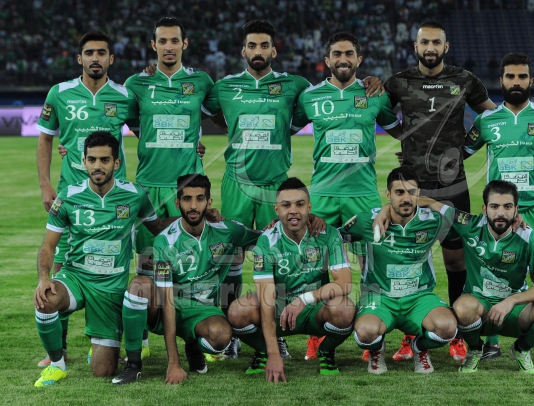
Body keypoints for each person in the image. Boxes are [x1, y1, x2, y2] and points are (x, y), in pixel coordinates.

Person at [202, 20, 382, 360]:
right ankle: (231, 331)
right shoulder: (225, 87)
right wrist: (233, 130)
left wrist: (371, 80)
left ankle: (294, 327)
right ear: (243, 50)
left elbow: (312, 109)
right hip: (236, 181)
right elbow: (209, 111)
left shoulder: (296, 86)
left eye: (264, 45)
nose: (258, 51)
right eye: (252, 46)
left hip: (275, 183)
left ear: (274, 50)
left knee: (284, 255)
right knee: (230, 256)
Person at [383, 20, 496, 362]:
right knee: (409, 258)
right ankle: (410, 334)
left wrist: (467, 148)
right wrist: (403, 137)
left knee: (455, 259)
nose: (430, 48)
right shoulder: (399, 81)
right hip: (411, 187)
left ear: (445, 47)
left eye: (436, 43)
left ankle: (457, 333)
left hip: (452, 184)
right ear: (415, 47)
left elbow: (491, 116)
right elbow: (378, 111)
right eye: (424, 42)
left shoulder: (464, 79)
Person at [291, 31, 401, 361]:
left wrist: (412, 157)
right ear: (327, 60)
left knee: (371, 266)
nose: (343, 59)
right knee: (315, 265)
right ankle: (317, 334)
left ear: (359, 59)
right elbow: (285, 129)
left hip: (363, 193)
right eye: (337, 54)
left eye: (349, 53)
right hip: (322, 193)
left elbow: (400, 130)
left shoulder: (374, 94)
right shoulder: (311, 97)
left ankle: (373, 336)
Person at [33, 132, 174, 387]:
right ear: (84, 162)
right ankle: (56, 365)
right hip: (75, 277)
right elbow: (48, 246)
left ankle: (101, 343)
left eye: (105, 160)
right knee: (46, 299)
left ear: (116, 163)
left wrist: (198, 217)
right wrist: (44, 277)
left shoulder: (135, 195)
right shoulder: (68, 196)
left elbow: (158, 227)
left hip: (110, 288)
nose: (98, 166)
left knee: (103, 370)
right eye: (92, 160)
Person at [464, 52, 534, 362]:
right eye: (511, 77)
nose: (516, 82)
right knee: (494, 271)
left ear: (531, 80)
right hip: (499, 212)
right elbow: (460, 153)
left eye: (522, 76)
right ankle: (491, 341)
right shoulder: (486, 120)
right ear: (501, 81)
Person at [35, 31, 138, 367]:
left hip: (112, 201)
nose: (96, 58)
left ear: (111, 59)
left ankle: (111, 338)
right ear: (79, 58)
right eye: (89, 53)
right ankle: (58, 349)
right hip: (71, 198)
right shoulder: (60, 93)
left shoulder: (124, 96)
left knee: (113, 267)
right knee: (61, 268)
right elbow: (46, 139)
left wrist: (192, 145)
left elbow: (146, 133)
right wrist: (45, 184)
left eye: (101, 53)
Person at [112, 174, 262, 384]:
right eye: (187, 199)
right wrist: (173, 363)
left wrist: (290, 224)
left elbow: (266, 237)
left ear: (209, 202)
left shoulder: (227, 230)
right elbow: (167, 301)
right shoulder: (165, 241)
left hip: (202, 310)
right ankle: (133, 365)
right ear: (177, 203)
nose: (193, 206)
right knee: (139, 285)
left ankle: (193, 345)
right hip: (167, 307)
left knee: (221, 335)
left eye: (200, 199)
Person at [417, 180, 534, 374]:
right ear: (485, 209)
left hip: (516, 312)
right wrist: (388, 210)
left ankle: (521, 349)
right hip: (480, 310)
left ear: (516, 210)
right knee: (462, 307)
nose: (501, 213)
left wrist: (511, 301)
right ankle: (475, 349)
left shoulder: (528, 237)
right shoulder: (470, 224)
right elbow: (433, 204)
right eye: (494, 206)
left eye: (507, 207)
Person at [227, 177, 355, 382]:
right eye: (286, 205)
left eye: (300, 204)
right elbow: (267, 299)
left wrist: (304, 299)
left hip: (315, 309)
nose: (293, 210)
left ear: (309, 208)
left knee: (344, 308)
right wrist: (273, 354)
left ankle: (325, 350)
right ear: (277, 210)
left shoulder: (329, 234)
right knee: (237, 311)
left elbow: (344, 283)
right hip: (280, 309)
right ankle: (264, 351)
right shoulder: (266, 241)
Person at [341, 166, 458, 374]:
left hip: (419, 297)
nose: (406, 198)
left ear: (418, 194)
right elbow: (334, 237)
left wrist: (431, 202)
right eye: (399, 192)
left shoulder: (433, 220)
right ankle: (377, 349)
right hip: (379, 296)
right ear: (388, 195)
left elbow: (474, 224)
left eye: (412, 192)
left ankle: (419, 347)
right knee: (365, 333)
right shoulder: (367, 220)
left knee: (448, 328)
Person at [124, 16, 215, 279]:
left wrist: (193, 138)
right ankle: (148, 307)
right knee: (147, 265)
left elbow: (219, 113)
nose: (169, 46)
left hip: (188, 185)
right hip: (148, 185)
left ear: (184, 43)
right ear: (154, 45)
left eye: (174, 40)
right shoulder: (136, 83)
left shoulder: (201, 81)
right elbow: (130, 123)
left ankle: (187, 305)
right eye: (162, 41)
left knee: (189, 264)